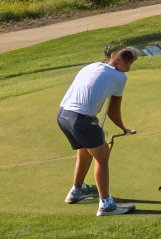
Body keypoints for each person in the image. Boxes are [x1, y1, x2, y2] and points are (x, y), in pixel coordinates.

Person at [57, 45, 137, 216]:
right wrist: (123, 128)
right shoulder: (120, 77)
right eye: (129, 64)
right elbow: (113, 111)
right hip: (81, 119)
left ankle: (76, 191)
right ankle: (106, 204)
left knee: (85, 152)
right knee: (102, 154)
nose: (129, 69)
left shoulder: (92, 66)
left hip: (63, 115)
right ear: (119, 60)